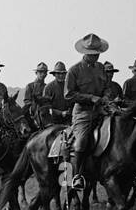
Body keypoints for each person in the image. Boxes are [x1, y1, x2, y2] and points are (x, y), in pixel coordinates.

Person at [64, 34, 111, 189]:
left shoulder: (100, 68)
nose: (95, 56)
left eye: (97, 53)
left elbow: (107, 88)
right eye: (92, 54)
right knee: (82, 141)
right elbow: (68, 95)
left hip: (102, 110)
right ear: (84, 53)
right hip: (82, 113)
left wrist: (105, 97)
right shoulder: (74, 71)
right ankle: (77, 175)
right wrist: (91, 98)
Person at [41, 61, 71, 126]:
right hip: (53, 122)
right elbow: (45, 108)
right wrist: (61, 113)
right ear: (54, 74)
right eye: (58, 73)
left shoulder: (69, 86)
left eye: (63, 73)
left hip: (69, 120)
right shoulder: (48, 88)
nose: (61, 76)